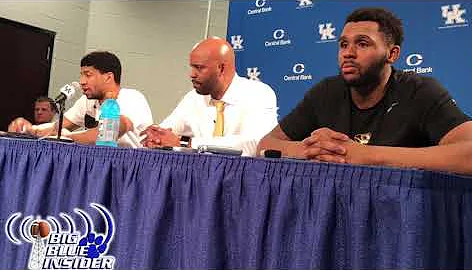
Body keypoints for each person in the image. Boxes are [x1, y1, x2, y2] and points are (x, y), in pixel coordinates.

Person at [257, 7, 472, 176]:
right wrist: (309, 151)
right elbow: (266, 145)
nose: (348, 53)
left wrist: (364, 155)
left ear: (392, 54)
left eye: (362, 44)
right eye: (343, 44)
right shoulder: (325, 92)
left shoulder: (420, 91)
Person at [141, 37, 278, 156]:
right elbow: (168, 130)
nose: (192, 74)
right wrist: (156, 136)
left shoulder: (259, 93)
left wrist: (186, 143)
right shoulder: (193, 98)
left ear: (221, 68)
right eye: (192, 67)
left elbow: (254, 143)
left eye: (199, 68)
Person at [8, 51, 153, 147]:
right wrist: (29, 129)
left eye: (88, 75)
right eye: (81, 75)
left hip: (132, 168)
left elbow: (107, 133)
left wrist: (66, 138)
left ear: (108, 77)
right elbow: (58, 127)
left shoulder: (132, 98)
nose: (82, 81)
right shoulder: (87, 101)